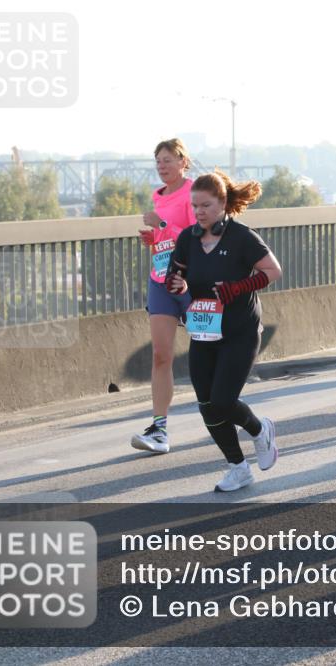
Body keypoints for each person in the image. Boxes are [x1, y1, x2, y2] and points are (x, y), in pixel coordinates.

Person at [165, 171, 281, 492]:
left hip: (240, 332)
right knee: (206, 405)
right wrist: (176, 283)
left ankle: (259, 431)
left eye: (206, 205)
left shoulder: (242, 237)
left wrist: (238, 288)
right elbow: (177, 274)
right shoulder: (188, 239)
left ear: (223, 204)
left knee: (223, 400)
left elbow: (273, 271)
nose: (199, 212)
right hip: (204, 332)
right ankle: (238, 467)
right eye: (195, 206)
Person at [130, 139, 196, 454]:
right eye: (157, 161)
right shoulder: (158, 197)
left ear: (184, 161)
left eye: (167, 159)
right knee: (161, 354)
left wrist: (164, 224)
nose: (161, 165)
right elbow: (168, 237)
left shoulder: (194, 192)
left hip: (192, 280)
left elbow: (199, 237)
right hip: (160, 280)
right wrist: (154, 238)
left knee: (209, 352)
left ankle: (230, 411)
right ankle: (159, 429)